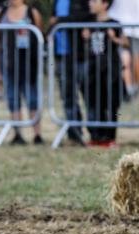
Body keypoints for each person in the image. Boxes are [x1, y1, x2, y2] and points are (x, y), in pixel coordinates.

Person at [0, 0, 44, 145]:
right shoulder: (1, 13)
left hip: (29, 63)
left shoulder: (32, 13)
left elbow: (41, 38)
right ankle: (18, 134)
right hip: (9, 63)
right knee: (13, 98)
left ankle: (37, 135)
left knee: (32, 98)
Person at [82, 0, 129, 147]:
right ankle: (96, 136)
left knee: (110, 104)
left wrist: (114, 39)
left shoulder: (114, 23)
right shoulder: (89, 23)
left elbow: (126, 43)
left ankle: (110, 137)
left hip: (110, 70)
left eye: (94, 1)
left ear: (104, 4)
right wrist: (86, 38)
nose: (90, 4)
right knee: (94, 103)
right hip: (93, 70)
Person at [50, 0, 93, 145]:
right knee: (67, 97)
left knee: (88, 95)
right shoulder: (57, 2)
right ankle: (74, 134)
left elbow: (88, 15)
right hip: (62, 55)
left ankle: (95, 133)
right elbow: (52, 21)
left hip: (81, 55)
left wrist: (60, 21)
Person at [108, 0, 139, 100]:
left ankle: (133, 88)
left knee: (134, 59)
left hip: (134, 28)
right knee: (124, 60)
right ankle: (128, 89)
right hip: (118, 24)